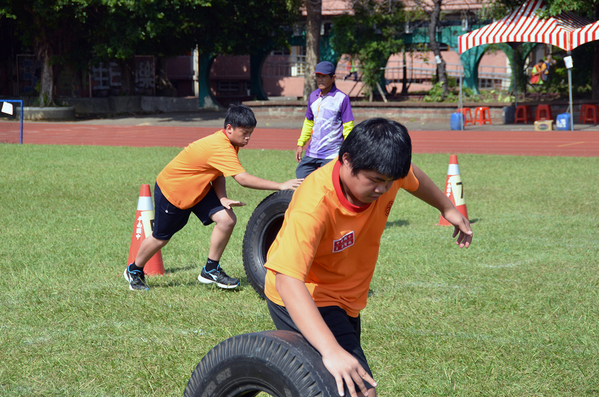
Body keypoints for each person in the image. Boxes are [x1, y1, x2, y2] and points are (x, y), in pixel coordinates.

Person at [264, 118, 473, 397]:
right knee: (360, 390)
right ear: (347, 160)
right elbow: (287, 280)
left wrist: (447, 208)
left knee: (337, 383)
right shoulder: (314, 204)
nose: (383, 190)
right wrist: (331, 351)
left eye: (389, 182)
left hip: (347, 297)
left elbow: (413, 177)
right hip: (310, 296)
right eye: (375, 181)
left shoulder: (386, 172)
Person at [124, 104, 302, 291]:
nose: (248, 137)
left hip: (198, 189)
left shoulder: (230, 143)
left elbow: (217, 172)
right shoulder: (221, 146)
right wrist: (280, 185)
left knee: (226, 219)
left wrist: (222, 197)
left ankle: (210, 269)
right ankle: (134, 270)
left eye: (250, 133)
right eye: (245, 133)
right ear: (229, 129)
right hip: (173, 190)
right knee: (160, 238)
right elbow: (242, 179)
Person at [295, 61, 354, 179]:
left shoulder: (342, 98)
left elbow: (348, 126)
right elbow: (308, 122)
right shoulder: (313, 96)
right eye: (318, 76)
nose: (320, 80)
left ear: (333, 78)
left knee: (328, 184)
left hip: (331, 154)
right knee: (301, 178)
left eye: (324, 76)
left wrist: (348, 148)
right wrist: (301, 144)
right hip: (312, 152)